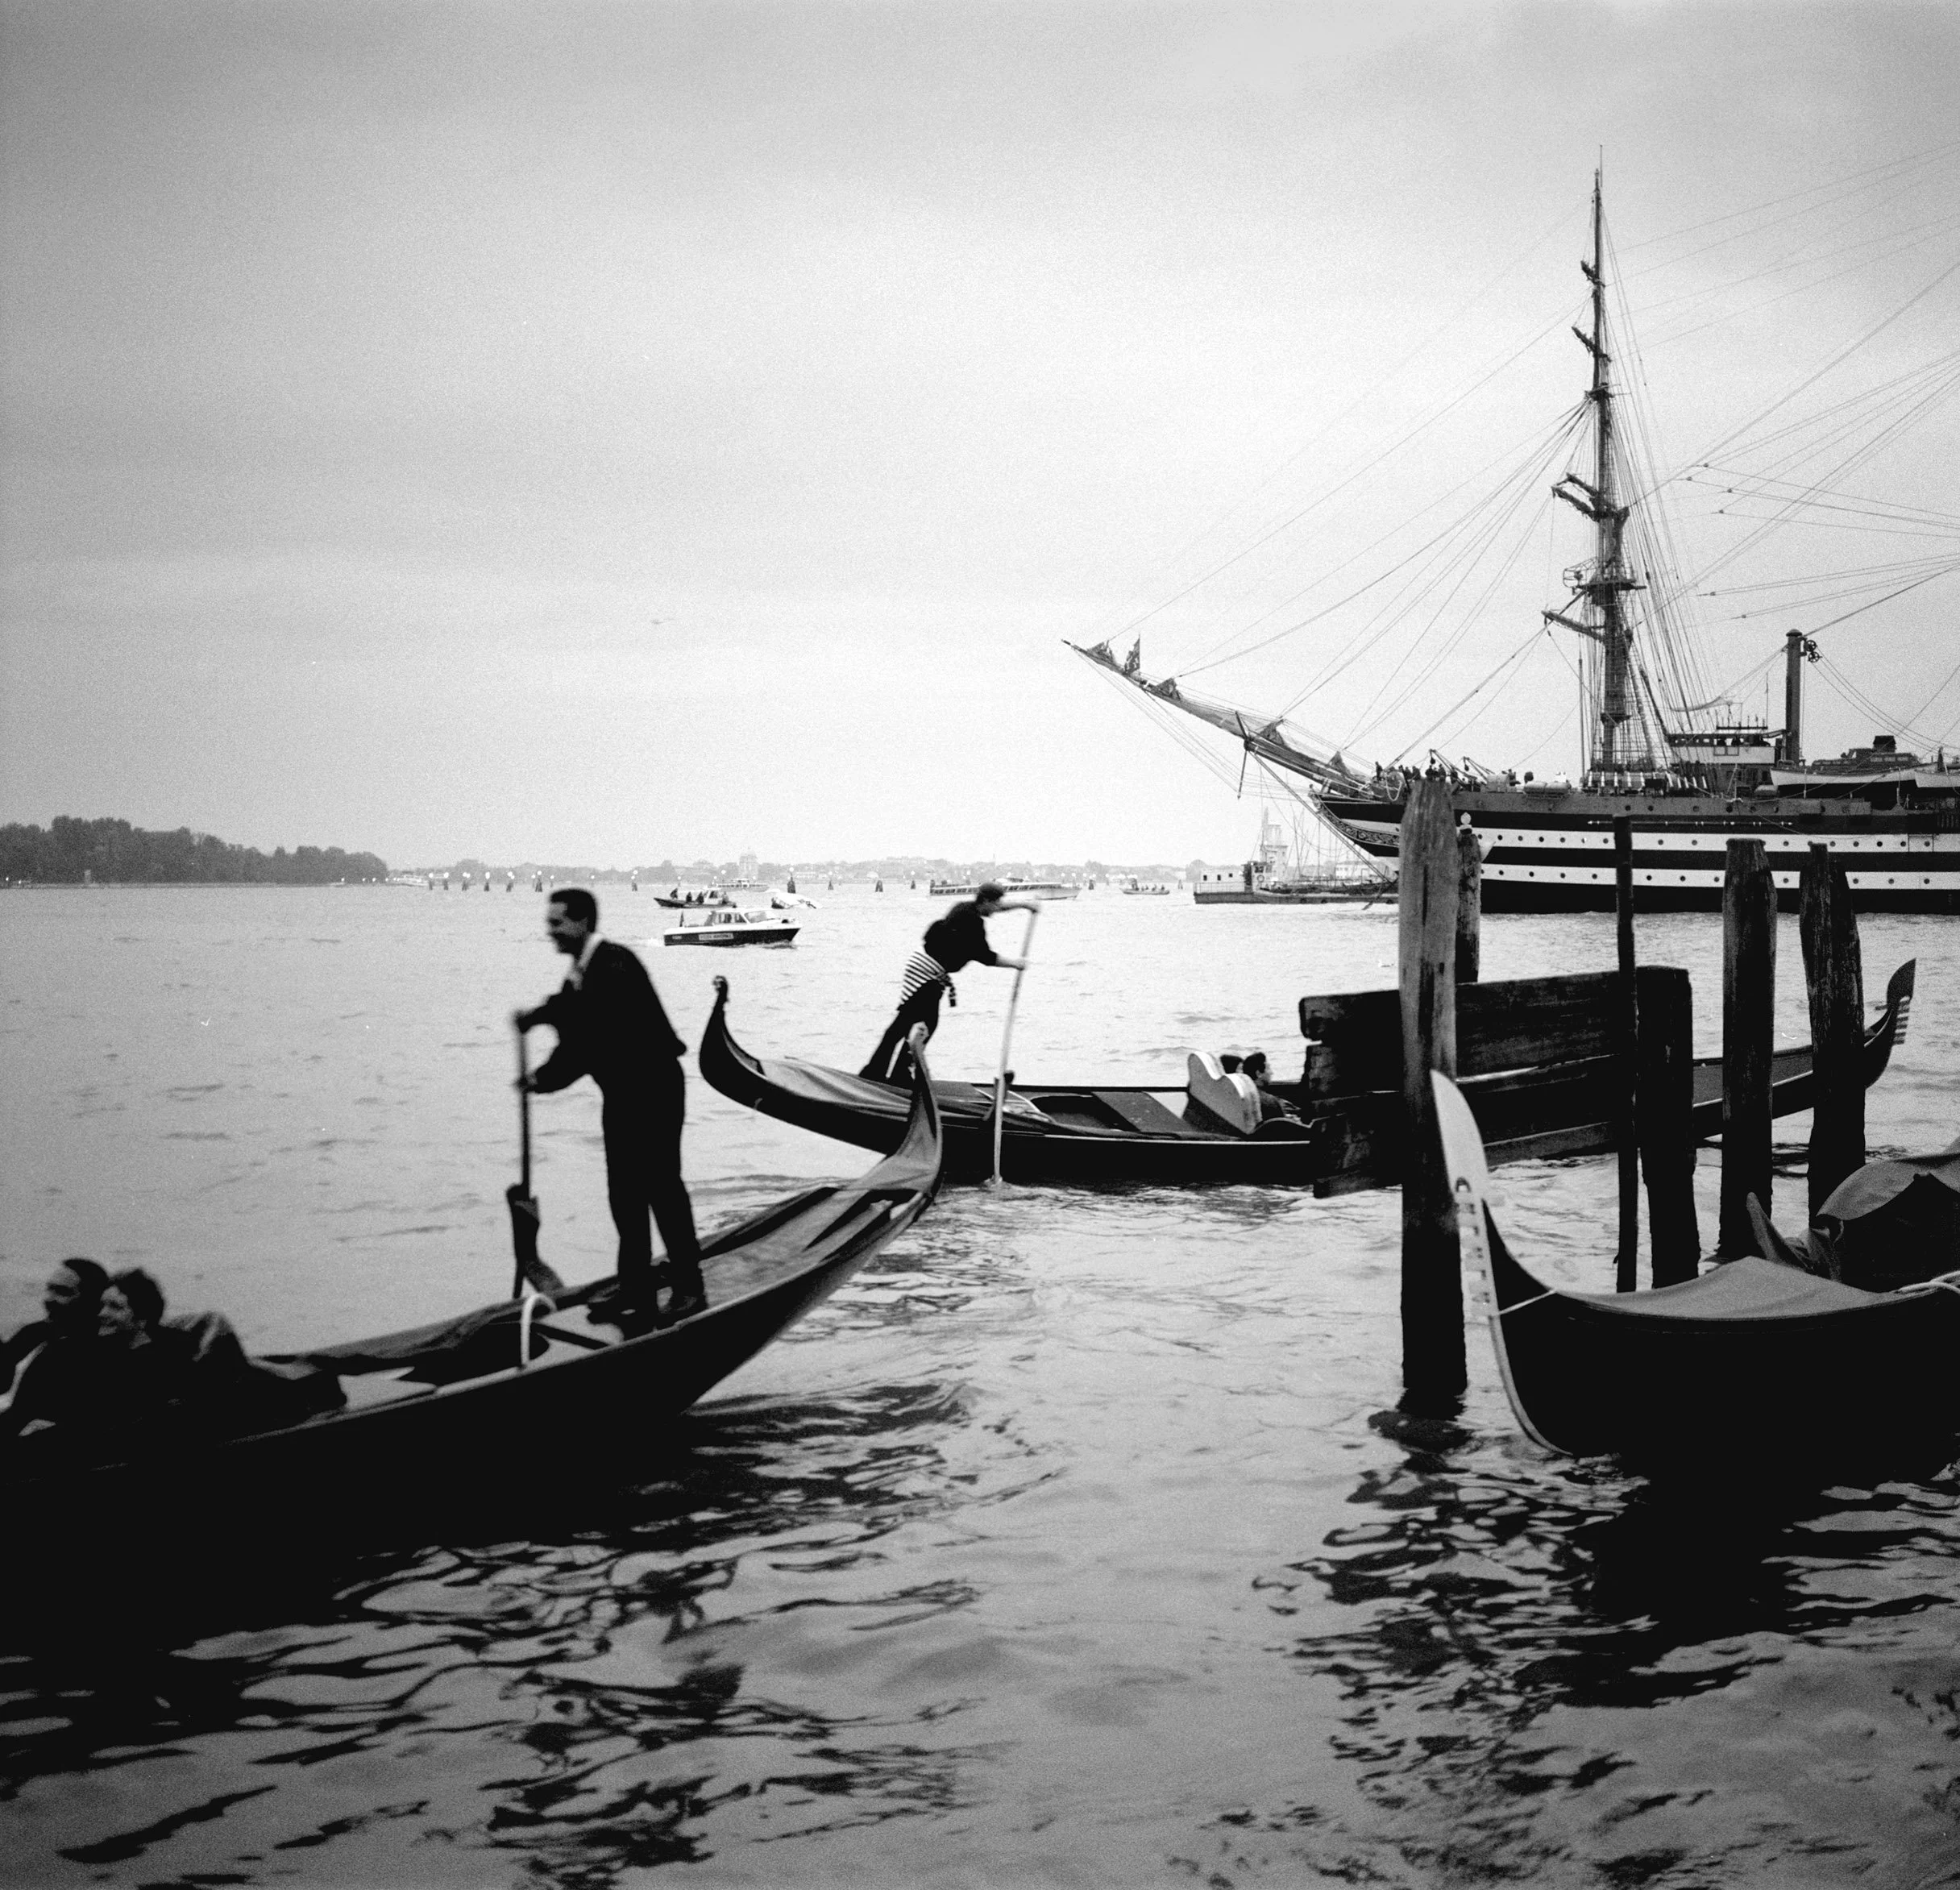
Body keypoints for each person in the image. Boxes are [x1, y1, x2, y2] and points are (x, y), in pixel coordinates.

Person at [516, 887, 706, 1327]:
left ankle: (690, 1288)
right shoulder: (585, 968)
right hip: (622, 1094)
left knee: (661, 1188)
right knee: (624, 1196)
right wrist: (537, 1016)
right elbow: (570, 1009)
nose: (550, 932)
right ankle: (635, 1285)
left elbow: (585, 1040)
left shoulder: (614, 966)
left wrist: (542, 1079)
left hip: (654, 1090)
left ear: (582, 923)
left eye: (557, 923)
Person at [860, 881, 1040, 1082]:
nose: (998, 909)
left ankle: (885, 1071)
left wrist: (1025, 905)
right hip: (927, 973)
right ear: (987, 901)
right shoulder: (974, 922)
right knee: (920, 1025)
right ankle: (890, 1074)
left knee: (910, 1024)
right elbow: (985, 957)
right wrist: (1017, 964)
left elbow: (998, 908)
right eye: (996, 904)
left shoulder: (964, 907)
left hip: (923, 966)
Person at [0, 1258, 108, 1439]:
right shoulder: (36, 1332)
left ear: (91, 1300)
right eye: (49, 1288)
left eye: (62, 1292)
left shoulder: (93, 1351)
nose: (48, 1299)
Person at [1240, 1050, 1301, 1123]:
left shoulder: (1241, 1096)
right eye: (1268, 1068)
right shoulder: (1269, 1102)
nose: (1272, 1072)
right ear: (1259, 1073)